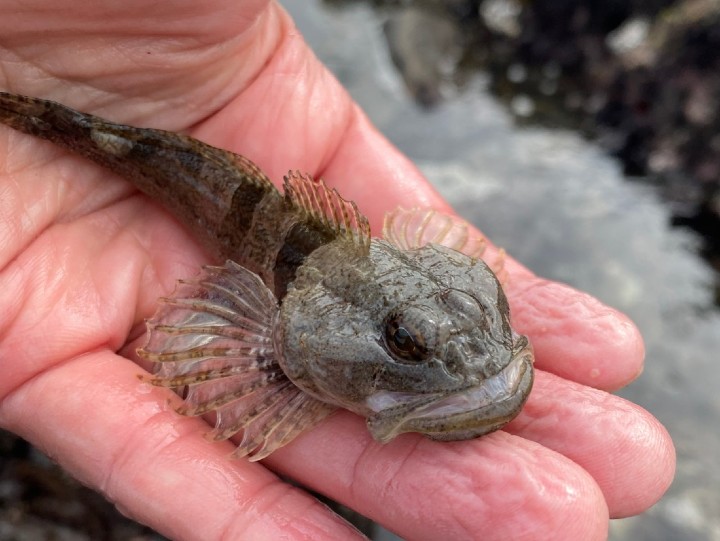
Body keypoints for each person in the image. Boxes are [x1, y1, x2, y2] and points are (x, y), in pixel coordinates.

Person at [0, 2, 674, 540]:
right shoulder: (279, 339)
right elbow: (229, 344)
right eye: (408, 346)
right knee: (101, 136)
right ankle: (38, 115)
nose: (485, 372)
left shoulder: (427, 286)